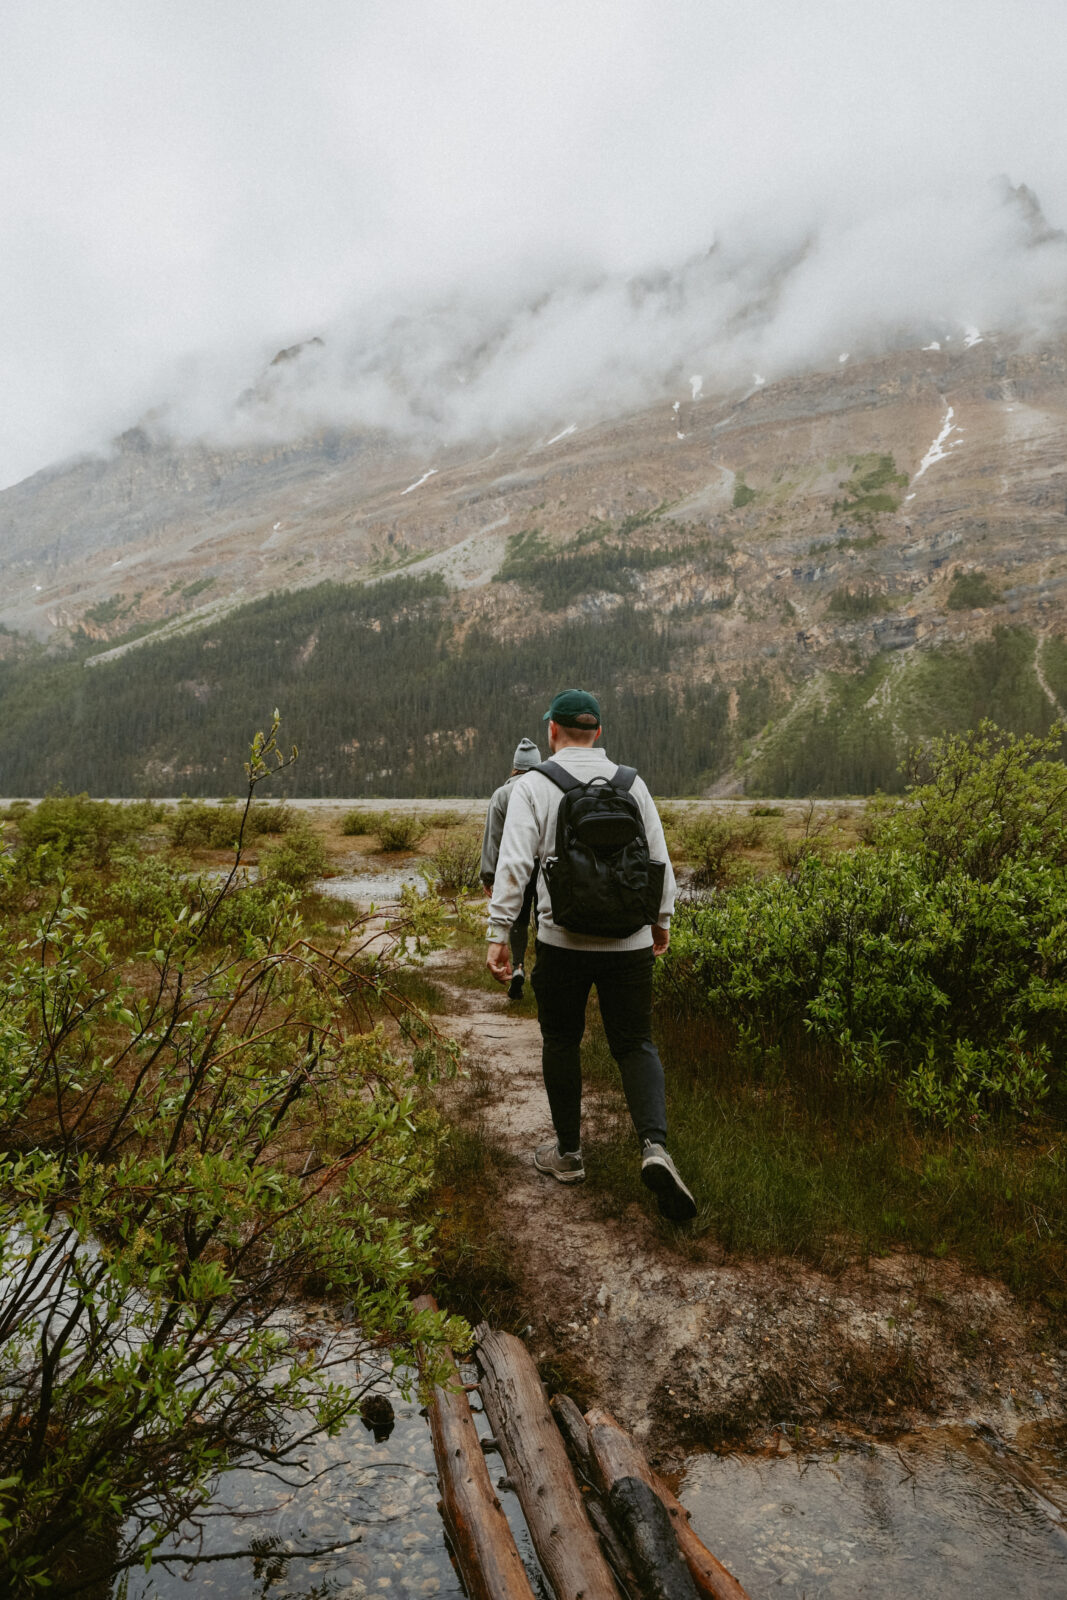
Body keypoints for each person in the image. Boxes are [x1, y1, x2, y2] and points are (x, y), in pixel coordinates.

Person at [485, 689, 696, 1221]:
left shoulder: (534, 785)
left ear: (552, 732)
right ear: (598, 732)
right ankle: (654, 1147)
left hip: (562, 942)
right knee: (635, 1043)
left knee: (561, 1040)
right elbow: (659, 860)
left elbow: (514, 866)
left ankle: (570, 1155)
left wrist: (498, 932)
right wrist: (661, 921)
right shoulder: (632, 783)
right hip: (629, 942)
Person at [480, 736, 541, 1000]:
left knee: (517, 918)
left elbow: (492, 838)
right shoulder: (545, 790)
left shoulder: (501, 794)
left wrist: (489, 876)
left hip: (513, 868)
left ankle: (517, 967)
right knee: (544, 919)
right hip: (544, 868)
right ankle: (545, 972)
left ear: (515, 765)